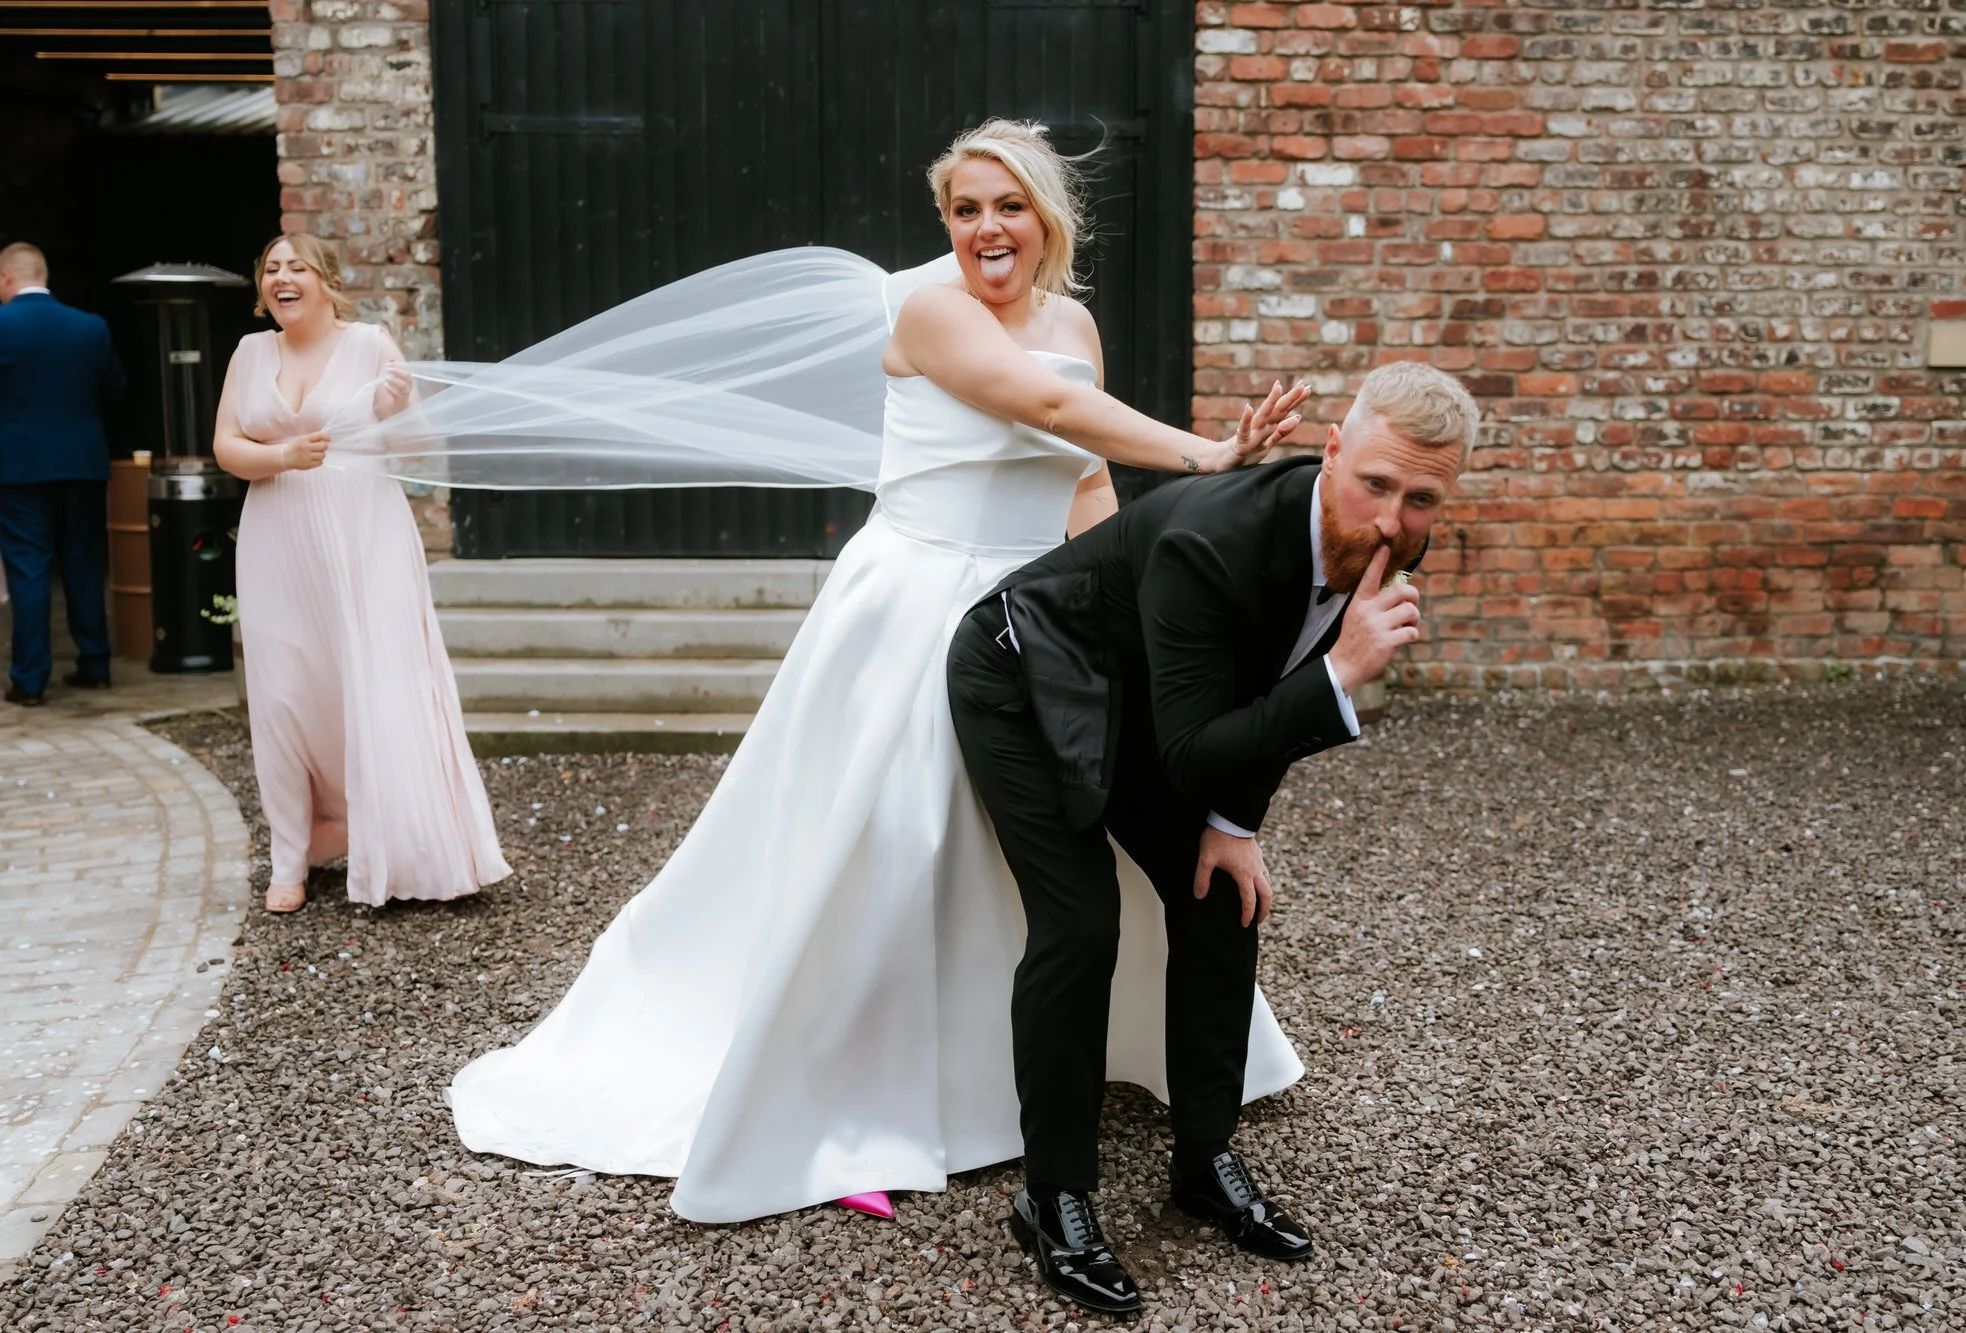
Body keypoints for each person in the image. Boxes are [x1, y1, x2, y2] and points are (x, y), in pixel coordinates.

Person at [448, 119, 1312, 1223]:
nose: (984, 229)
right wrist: (1210, 455)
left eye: (1006, 207)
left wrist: (1110, 620)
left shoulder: (1073, 322)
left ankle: (1070, 1062)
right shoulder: (930, 309)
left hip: (1030, 607)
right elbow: (1038, 404)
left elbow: (1081, 472)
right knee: (896, 839)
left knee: (1051, 846)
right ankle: (845, 1097)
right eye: (963, 210)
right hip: (914, 597)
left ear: (1046, 216)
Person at [947, 360, 1480, 1315]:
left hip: (1159, 699)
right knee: (1081, 925)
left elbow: (1265, 682)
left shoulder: (1386, 541)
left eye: (1422, 498)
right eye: (1376, 484)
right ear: (1332, 453)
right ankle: (1053, 1196)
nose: (1394, 521)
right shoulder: (1212, 541)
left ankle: (1202, 1160)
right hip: (1028, 681)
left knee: (1222, 898)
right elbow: (1221, 735)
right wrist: (1339, 681)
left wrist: (1236, 826)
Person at [211, 233, 510, 912]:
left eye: (296, 267)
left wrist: (398, 408)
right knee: (286, 691)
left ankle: (395, 837)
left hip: (365, 534)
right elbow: (228, 446)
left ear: (327, 280)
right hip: (276, 538)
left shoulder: (371, 344)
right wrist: (282, 455)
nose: (280, 278)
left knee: (373, 681)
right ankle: (291, 853)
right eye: (271, 269)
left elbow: (419, 449)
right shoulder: (250, 352)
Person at [0, 242, 124, 706]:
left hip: (19, 467)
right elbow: (116, 389)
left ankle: (30, 683)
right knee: (84, 563)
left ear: (6, 278)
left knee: (30, 569)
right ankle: (95, 665)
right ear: (43, 274)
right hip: (83, 464)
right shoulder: (90, 328)